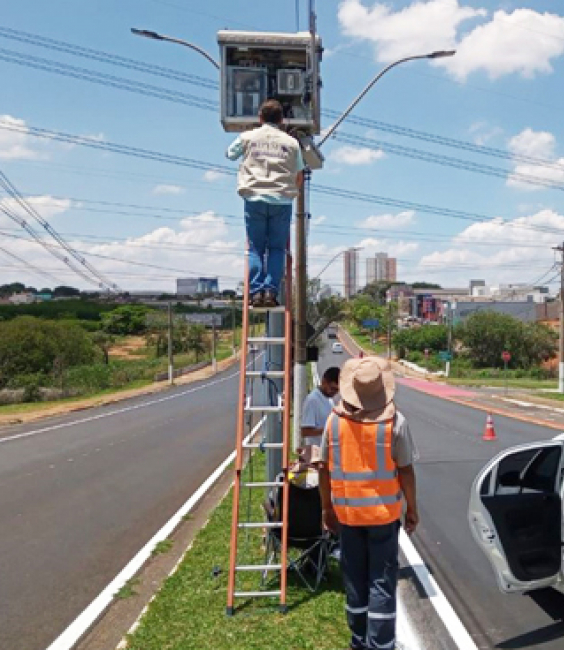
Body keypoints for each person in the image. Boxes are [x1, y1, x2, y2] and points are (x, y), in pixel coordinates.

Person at [319, 356, 419, 650]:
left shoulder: (334, 421)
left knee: (355, 581)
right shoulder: (395, 422)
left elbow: (322, 468)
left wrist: (327, 508)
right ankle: (381, 644)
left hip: (348, 517)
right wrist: (411, 508)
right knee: (381, 583)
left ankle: (358, 641)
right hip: (383, 518)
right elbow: (406, 470)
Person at [226, 99, 304, 308]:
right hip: (281, 199)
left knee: (256, 248)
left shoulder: (247, 137)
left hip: (254, 197)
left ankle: (256, 291)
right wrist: (293, 193)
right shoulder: (291, 142)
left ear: (260, 118)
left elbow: (230, 154)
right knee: (277, 248)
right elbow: (299, 173)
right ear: (281, 120)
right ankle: (271, 292)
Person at [301, 366, 340, 449]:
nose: (334, 392)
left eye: (337, 390)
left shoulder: (329, 400)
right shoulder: (312, 400)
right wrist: (328, 430)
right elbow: (305, 431)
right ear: (324, 382)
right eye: (332, 388)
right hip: (316, 452)